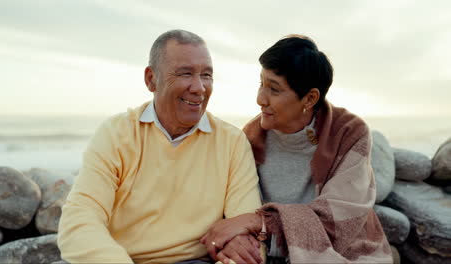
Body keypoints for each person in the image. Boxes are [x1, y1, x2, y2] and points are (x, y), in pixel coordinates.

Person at [57, 29, 263, 264]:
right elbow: (79, 220)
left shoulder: (232, 142)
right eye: (186, 73)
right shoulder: (116, 134)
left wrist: (239, 250)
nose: (199, 88)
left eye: (206, 75)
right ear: (151, 79)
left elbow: (249, 241)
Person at [201, 35, 393, 263]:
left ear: (310, 98)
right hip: (271, 254)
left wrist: (259, 222)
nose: (260, 99)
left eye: (274, 89)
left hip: (345, 254)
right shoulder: (250, 138)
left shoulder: (349, 133)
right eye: (261, 83)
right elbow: (233, 207)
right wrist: (237, 241)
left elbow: (338, 221)